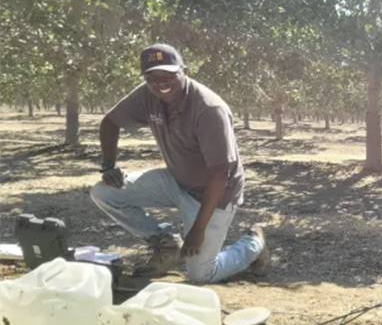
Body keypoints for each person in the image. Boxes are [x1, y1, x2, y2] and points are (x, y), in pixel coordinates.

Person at [90, 43, 270, 284]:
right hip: (176, 181)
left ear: (184, 70)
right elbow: (110, 123)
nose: (161, 82)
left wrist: (197, 230)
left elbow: (220, 173)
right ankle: (165, 243)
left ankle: (253, 243)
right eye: (152, 77)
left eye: (169, 74)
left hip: (214, 193)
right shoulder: (147, 94)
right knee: (104, 192)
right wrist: (109, 165)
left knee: (200, 275)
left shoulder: (209, 109)